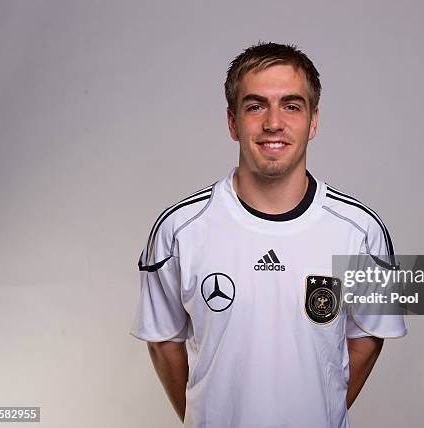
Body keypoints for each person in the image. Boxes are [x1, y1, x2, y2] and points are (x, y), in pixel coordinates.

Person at [131, 42, 407, 428]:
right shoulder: (179, 230)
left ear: (313, 122)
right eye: (256, 105)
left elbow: (366, 339)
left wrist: (321, 412)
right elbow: (163, 340)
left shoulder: (360, 232)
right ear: (232, 122)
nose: (273, 123)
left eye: (291, 106)